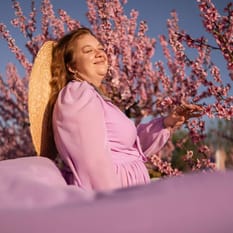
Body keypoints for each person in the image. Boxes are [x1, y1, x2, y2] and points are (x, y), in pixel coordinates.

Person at [27, 27, 202, 191]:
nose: (99, 53)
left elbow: (131, 147)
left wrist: (166, 123)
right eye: (88, 51)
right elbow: (92, 162)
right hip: (115, 192)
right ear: (71, 67)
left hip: (128, 189)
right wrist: (111, 203)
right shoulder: (77, 94)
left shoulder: (96, 97)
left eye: (101, 48)